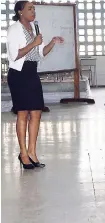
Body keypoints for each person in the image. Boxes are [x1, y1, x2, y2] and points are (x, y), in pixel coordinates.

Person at [7, 0, 64, 169]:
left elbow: (40, 54)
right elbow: (14, 55)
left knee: (37, 112)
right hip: (18, 74)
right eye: (30, 8)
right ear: (20, 12)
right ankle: (23, 153)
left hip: (32, 73)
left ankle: (32, 152)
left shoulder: (35, 30)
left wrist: (51, 42)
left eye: (34, 8)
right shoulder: (14, 29)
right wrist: (34, 43)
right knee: (23, 113)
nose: (33, 11)